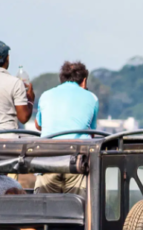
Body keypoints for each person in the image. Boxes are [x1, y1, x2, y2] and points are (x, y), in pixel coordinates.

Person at [34, 61, 99, 196]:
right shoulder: (92, 98)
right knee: (79, 210)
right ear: (84, 81)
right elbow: (91, 133)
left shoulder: (46, 95)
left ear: (61, 79)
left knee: (44, 210)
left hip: (47, 159)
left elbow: (38, 125)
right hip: (76, 161)